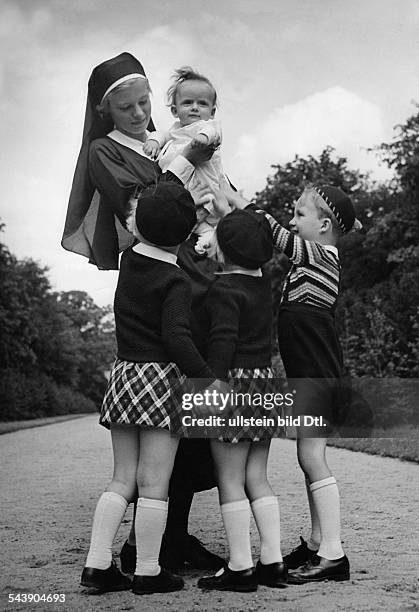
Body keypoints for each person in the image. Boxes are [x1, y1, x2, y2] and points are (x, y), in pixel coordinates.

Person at [62, 52, 223, 575]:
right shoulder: (102, 151)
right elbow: (143, 209)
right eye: (126, 107)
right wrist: (187, 159)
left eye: (144, 103)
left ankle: (171, 537)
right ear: (106, 111)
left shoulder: (162, 141)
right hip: (159, 282)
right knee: (169, 414)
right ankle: (145, 550)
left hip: (195, 276)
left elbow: (211, 192)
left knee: (193, 424)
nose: (138, 113)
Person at [81, 182, 218, 595]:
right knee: (155, 482)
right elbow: (176, 338)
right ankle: (148, 571)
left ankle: (97, 564)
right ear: (184, 236)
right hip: (159, 383)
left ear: (135, 225)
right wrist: (207, 380)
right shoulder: (175, 279)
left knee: (123, 478)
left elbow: (151, 229)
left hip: (124, 377)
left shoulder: (128, 260)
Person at [225, 183, 361, 584]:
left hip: (317, 375)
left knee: (312, 459)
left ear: (323, 225)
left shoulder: (322, 254)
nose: (292, 220)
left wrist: (246, 206)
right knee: (309, 460)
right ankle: (320, 542)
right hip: (310, 373)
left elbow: (277, 236)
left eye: (300, 214)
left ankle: (334, 554)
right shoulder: (312, 259)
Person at [196, 207, 288, 593]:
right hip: (264, 385)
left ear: (224, 248)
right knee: (257, 477)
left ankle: (240, 567)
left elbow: (222, 341)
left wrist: (209, 386)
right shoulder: (263, 282)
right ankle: (273, 560)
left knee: (229, 479)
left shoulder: (223, 289)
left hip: (231, 386)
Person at [143, 66, 223, 256]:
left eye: (202, 104)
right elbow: (160, 134)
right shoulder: (174, 131)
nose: (195, 107)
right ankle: (207, 236)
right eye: (187, 103)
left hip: (205, 188)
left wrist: (201, 139)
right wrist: (154, 142)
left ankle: (207, 234)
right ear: (174, 110)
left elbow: (213, 133)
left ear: (212, 112)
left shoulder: (207, 125)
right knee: (197, 224)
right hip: (184, 194)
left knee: (203, 211)